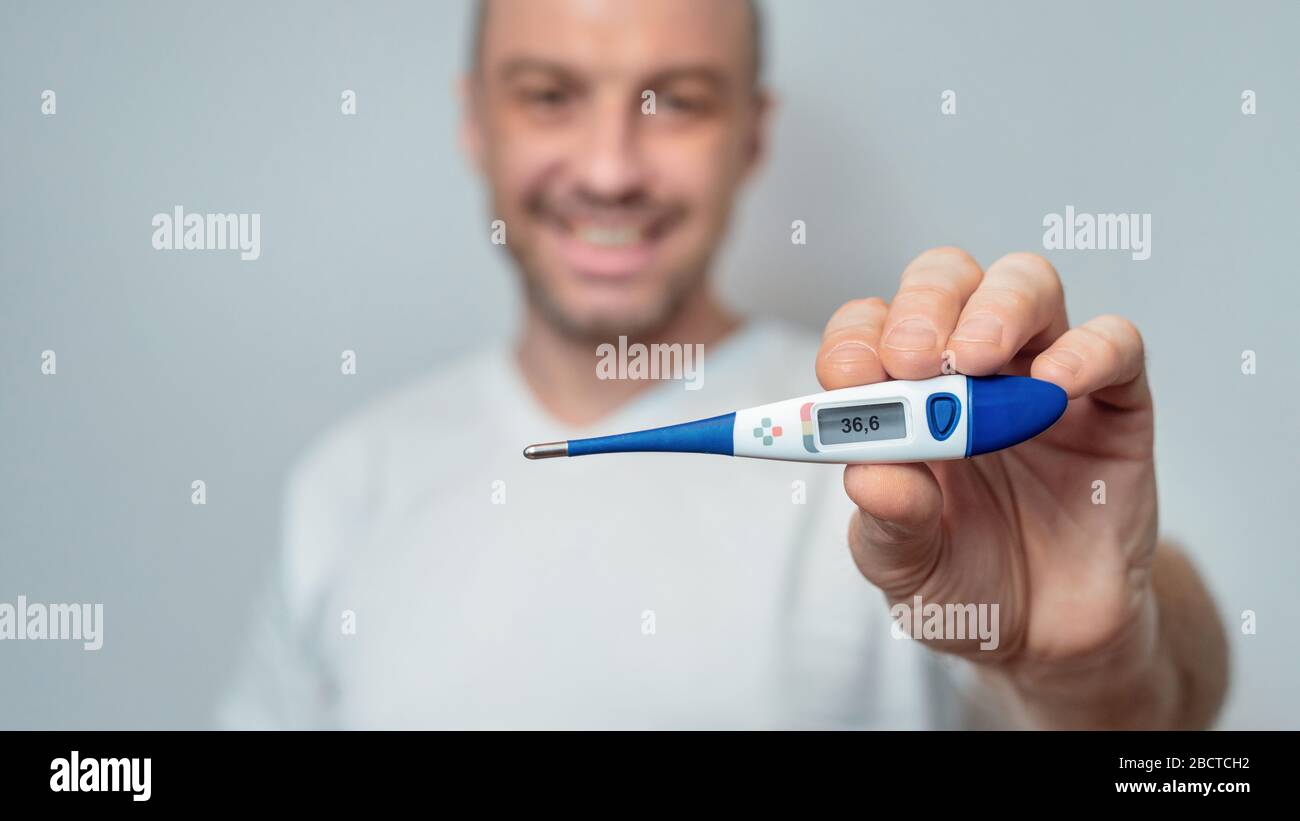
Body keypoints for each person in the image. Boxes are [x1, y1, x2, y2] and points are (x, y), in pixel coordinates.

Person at [219, 0, 1227, 729]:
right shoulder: (346, 484)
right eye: (550, 95)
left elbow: (1171, 733)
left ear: (752, 135)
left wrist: (1095, 664)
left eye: (677, 101)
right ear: (476, 119)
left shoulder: (925, 466)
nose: (611, 166)